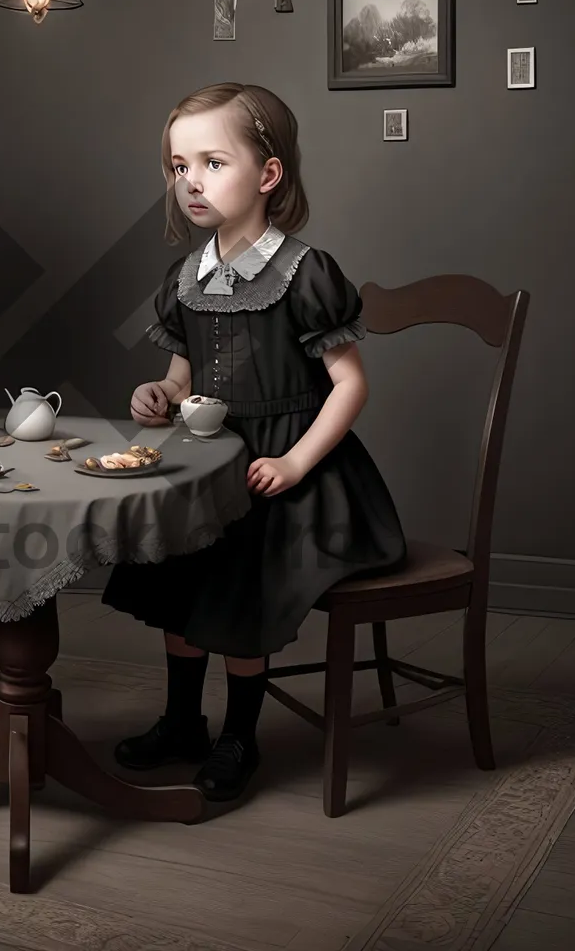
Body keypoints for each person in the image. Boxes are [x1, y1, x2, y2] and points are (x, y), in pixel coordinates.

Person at [102, 82, 407, 803]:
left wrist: (296, 461)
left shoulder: (305, 273)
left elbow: (350, 386)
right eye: (180, 166)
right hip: (206, 464)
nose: (191, 181)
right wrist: (160, 395)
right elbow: (181, 379)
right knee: (179, 583)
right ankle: (182, 721)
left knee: (239, 590)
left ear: (267, 175)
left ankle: (241, 735)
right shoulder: (186, 278)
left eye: (212, 162)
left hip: (289, 473)